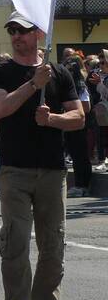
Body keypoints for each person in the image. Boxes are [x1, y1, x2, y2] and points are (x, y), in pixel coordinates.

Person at [0, 12, 84, 300]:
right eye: (12, 30)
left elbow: (78, 117)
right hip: (14, 169)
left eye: (23, 31)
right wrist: (32, 85)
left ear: (38, 33)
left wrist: (53, 119)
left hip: (53, 170)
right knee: (15, 242)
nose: (16, 36)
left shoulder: (60, 72)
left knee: (53, 244)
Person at [63, 56, 91, 197]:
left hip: (80, 125)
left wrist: (73, 108)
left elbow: (86, 107)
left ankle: (82, 185)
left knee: (80, 155)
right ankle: (78, 184)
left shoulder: (80, 85)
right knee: (74, 154)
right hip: (68, 124)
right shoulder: (67, 87)